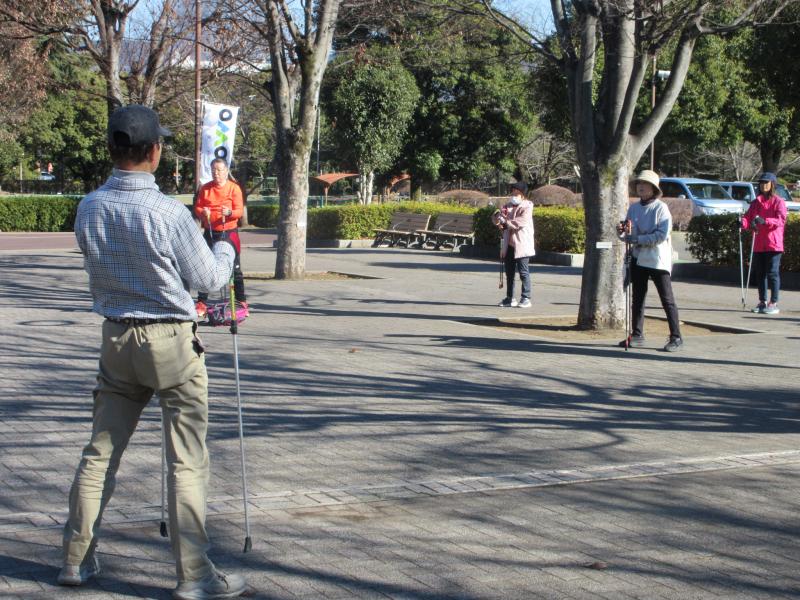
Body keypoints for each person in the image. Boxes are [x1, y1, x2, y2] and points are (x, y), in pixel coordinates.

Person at [61, 104, 249, 600]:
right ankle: (195, 575)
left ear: (111, 149)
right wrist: (226, 247)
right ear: (155, 152)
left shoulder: (89, 207)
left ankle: (75, 559)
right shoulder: (168, 212)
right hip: (170, 342)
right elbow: (209, 278)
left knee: (100, 452)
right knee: (186, 460)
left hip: (116, 338)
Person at [617, 169, 683, 352]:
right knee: (637, 298)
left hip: (657, 259)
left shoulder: (661, 208)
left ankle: (676, 336)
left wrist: (638, 239)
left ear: (654, 189)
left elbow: (661, 235)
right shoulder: (634, 208)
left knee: (667, 299)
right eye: (639, 183)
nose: (641, 187)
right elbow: (628, 234)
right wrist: (621, 231)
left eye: (645, 184)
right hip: (639, 258)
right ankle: (637, 334)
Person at [194, 158, 248, 320]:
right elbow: (197, 207)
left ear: (226, 171)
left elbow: (239, 210)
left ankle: (241, 301)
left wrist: (230, 213)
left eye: (219, 170)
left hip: (229, 232)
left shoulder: (234, 188)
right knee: (205, 266)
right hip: (210, 232)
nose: (216, 173)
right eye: (213, 170)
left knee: (235, 269)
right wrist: (203, 212)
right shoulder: (206, 188)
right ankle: (202, 302)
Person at [741, 172, 786, 315]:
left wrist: (765, 221)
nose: (763, 185)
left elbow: (781, 220)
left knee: (772, 273)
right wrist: (742, 222)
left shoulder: (778, 201)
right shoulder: (756, 202)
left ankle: (774, 302)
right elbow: (748, 218)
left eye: (766, 182)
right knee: (760, 274)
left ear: (772, 184)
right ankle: (762, 301)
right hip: (759, 243)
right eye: (761, 182)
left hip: (773, 243)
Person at [493, 181, 535, 308]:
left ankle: (526, 297)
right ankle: (510, 298)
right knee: (509, 273)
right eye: (513, 192)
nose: (514, 195)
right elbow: (498, 219)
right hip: (509, 245)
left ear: (523, 194)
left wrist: (506, 223)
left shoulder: (527, 206)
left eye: (516, 193)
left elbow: (520, 222)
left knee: (523, 272)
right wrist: (497, 217)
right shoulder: (508, 206)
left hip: (522, 244)